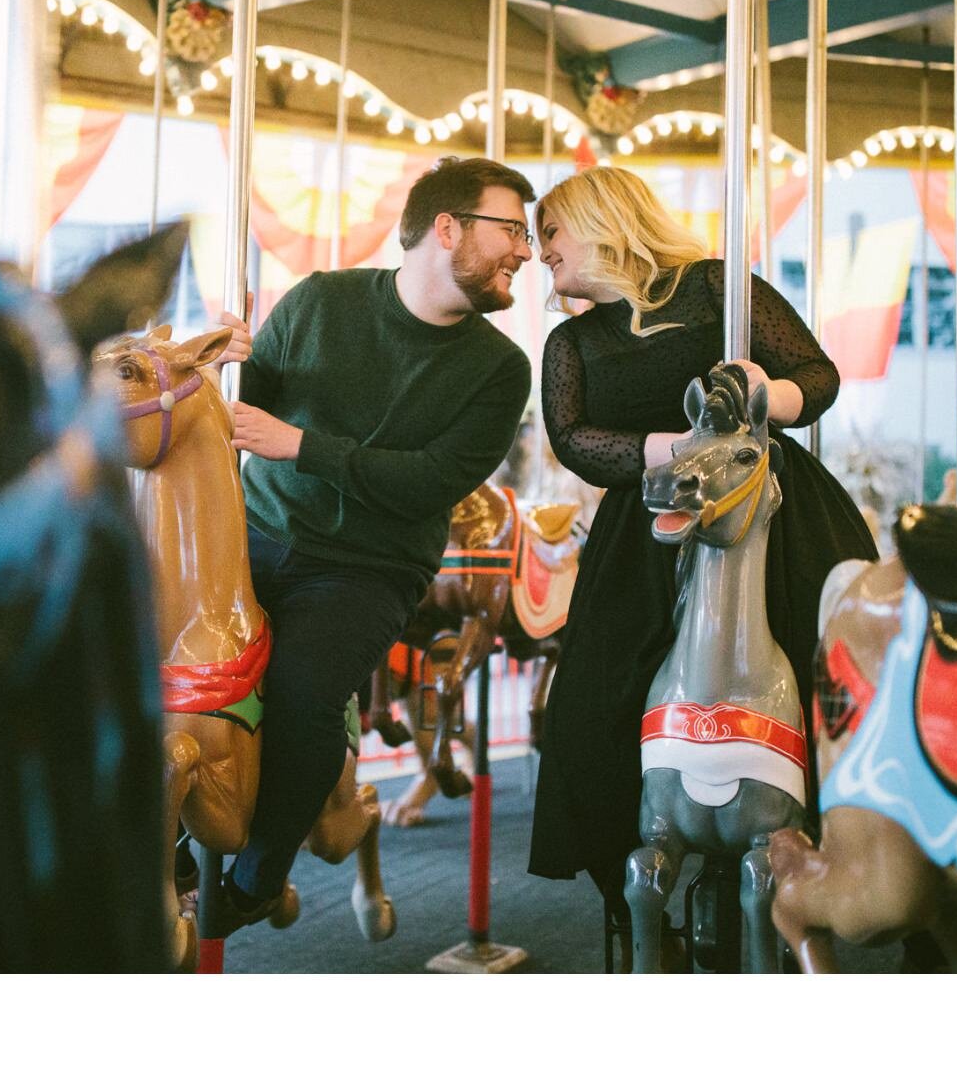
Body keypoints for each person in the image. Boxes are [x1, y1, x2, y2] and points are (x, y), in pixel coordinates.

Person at [526, 165, 877, 914]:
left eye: (549, 230)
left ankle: (859, 840)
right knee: (595, 692)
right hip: (651, 519)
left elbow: (816, 374)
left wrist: (763, 395)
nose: (539, 249)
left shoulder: (719, 290)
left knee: (832, 652)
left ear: (600, 219)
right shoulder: (571, 342)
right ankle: (623, 872)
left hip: (761, 502)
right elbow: (576, 439)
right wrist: (682, 449)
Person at [209, 155, 536, 924]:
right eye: (512, 230)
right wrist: (224, 363)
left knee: (302, 697)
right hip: (256, 531)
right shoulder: (321, 300)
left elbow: (431, 482)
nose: (524, 250)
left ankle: (257, 879)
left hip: (366, 568)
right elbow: (245, 411)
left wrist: (300, 447)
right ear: (447, 228)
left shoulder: (499, 369)